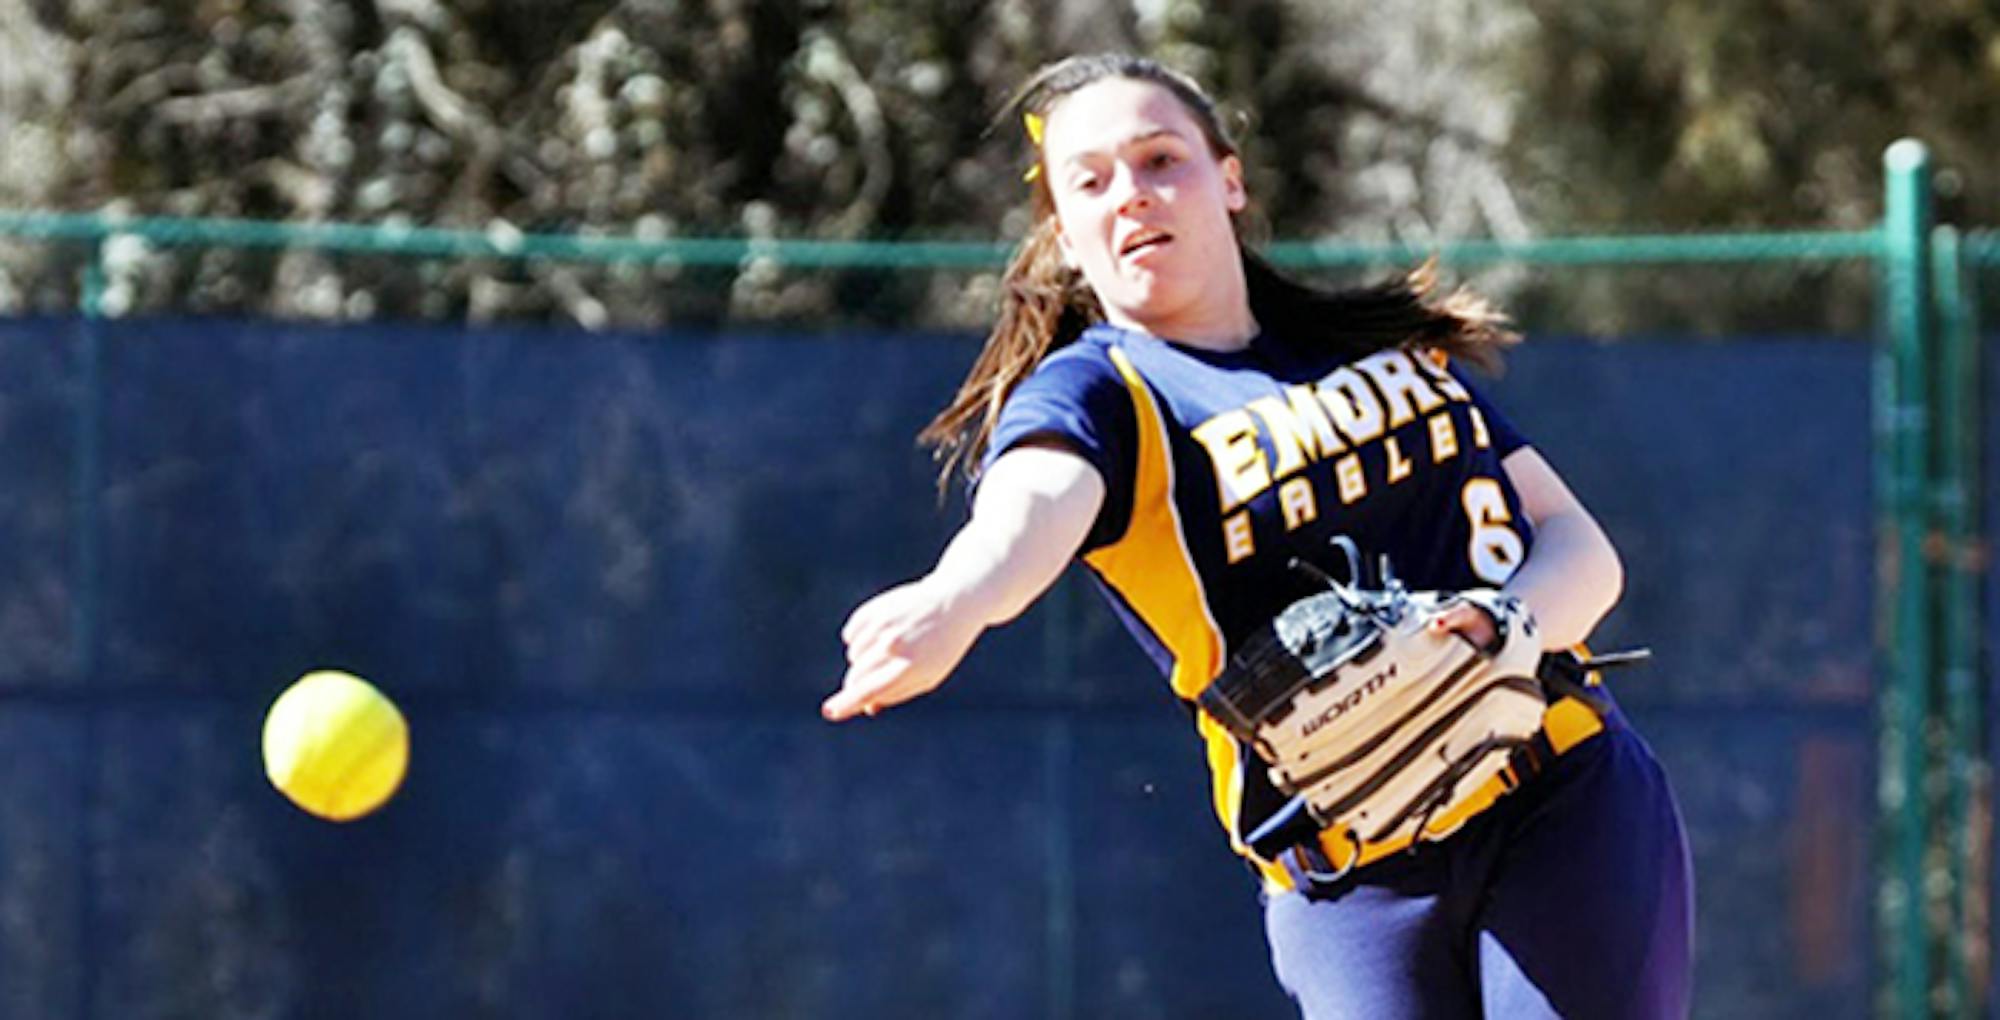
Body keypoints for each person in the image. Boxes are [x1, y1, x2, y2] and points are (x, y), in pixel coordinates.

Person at [822, 53, 1692, 1019]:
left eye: (1162, 159)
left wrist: (1500, 625)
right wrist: (961, 597)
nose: (1133, 195)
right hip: (1349, 873)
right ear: (1062, 230)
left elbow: (1579, 546)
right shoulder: (1104, 395)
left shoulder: (1372, 345)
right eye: (1092, 179)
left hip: (1557, 795)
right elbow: (1029, 508)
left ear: (1227, 178)